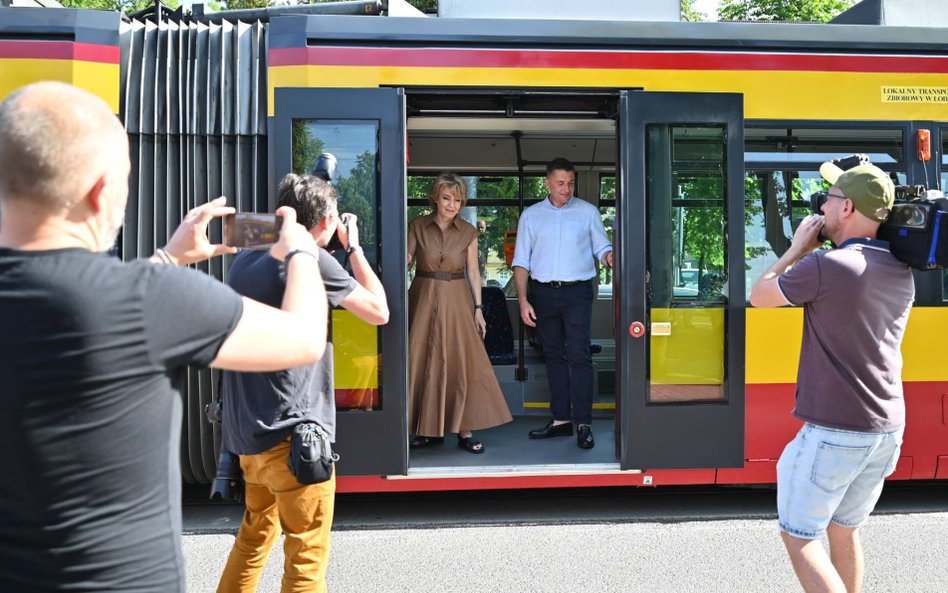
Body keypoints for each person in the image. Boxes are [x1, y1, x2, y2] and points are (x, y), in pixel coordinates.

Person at [0, 81, 329, 593]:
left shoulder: (149, 291)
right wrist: (302, 248)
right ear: (101, 191)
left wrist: (169, 258)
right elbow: (304, 337)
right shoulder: (153, 299)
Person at [216, 173, 389, 593]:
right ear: (327, 220)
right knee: (306, 556)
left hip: (248, 437)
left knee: (254, 538)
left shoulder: (246, 257)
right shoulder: (310, 258)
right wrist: (354, 248)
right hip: (292, 439)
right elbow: (378, 311)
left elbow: (247, 232)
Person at [750, 161, 914, 593]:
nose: (822, 205)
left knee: (800, 537)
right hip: (886, 429)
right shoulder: (900, 269)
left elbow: (760, 295)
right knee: (844, 530)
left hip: (837, 432)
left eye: (830, 198)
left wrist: (797, 249)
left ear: (848, 209)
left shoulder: (828, 266)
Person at [512, 157, 614, 449]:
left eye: (570, 183)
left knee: (580, 356)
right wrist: (522, 300)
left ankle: (583, 423)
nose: (566, 189)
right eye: (560, 183)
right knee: (553, 356)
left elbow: (602, 247)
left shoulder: (588, 212)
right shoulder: (531, 216)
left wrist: (609, 257)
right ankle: (560, 421)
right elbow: (521, 261)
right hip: (542, 293)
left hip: (577, 292)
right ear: (547, 183)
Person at [407, 173, 512, 453]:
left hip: (457, 298)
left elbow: (474, 273)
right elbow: (405, 261)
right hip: (422, 296)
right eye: (446, 198)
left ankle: (465, 431)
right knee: (423, 361)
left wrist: (478, 309)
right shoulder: (417, 225)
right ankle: (427, 429)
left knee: (459, 362)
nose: (452, 205)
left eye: (457, 200)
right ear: (435, 199)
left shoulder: (468, 231)